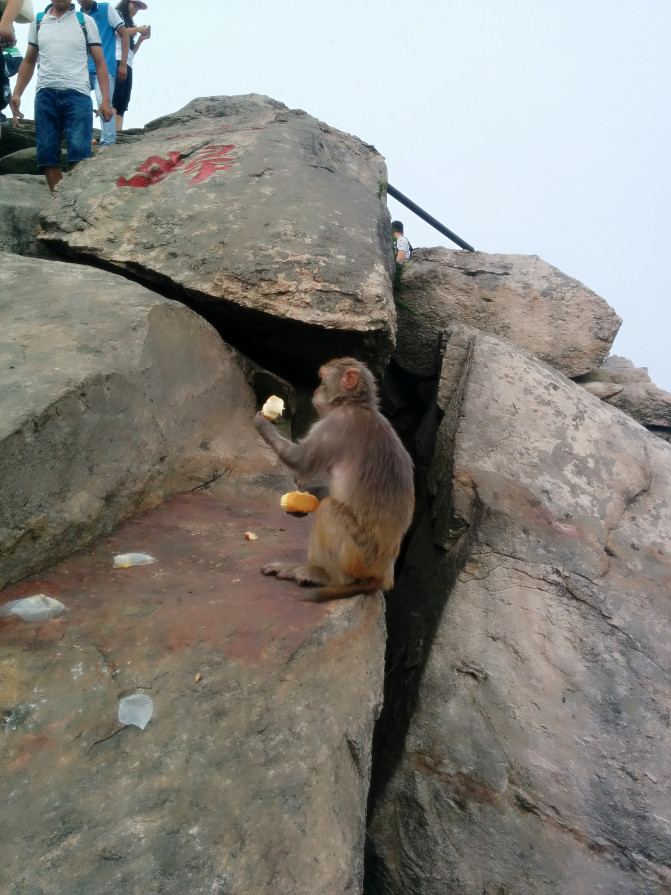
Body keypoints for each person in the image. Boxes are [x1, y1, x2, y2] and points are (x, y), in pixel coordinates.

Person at [10, 0, 113, 191]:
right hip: (45, 95)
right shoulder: (39, 22)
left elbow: (100, 63)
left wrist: (105, 100)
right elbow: (29, 61)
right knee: (47, 156)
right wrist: (17, 92)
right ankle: (60, 205)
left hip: (78, 95)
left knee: (80, 156)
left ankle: (75, 205)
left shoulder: (85, 21)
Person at [78, 0, 127, 145]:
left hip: (105, 66)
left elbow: (124, 34)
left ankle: (108, 142)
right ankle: (85, 139)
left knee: (104, 102)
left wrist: (123, 64)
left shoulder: (105, 8)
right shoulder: (77, 15)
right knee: (80, 103)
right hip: (82, 68)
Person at [113, 0, 149, 131]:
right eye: (135, 6)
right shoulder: (117, 15)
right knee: (115, 96)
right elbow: (118, 33)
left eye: (138, 8)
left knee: (123, 99)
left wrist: (140, 39)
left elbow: (131, 52)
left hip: (127, 62)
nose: (136, 10)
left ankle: (118, 131)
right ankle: (111, 131)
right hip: (116, 59)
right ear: (126, 3)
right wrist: (137, 29)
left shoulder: (130, 23)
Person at [1, 0, 33, 124]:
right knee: (4, 82)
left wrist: (6, 22)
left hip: (11, 56)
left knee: (3, 80)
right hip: (9, 56)